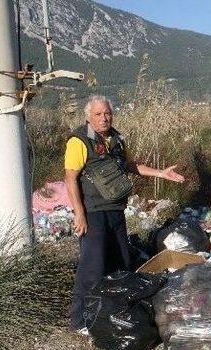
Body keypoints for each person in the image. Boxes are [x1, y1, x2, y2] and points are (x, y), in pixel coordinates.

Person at [64, 95, 185, 335]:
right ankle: (79, 320)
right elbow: (70, 178)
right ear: (88, 116)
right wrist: (79, 214)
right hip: (93, 213)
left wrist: (161, 173)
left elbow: (131, 166)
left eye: (107, 113)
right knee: (92, 266)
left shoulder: (116, 139)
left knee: (120, 262)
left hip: (116, 212)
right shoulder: (79, 141)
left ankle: (110, 311)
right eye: (98, 114)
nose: (104, 118)